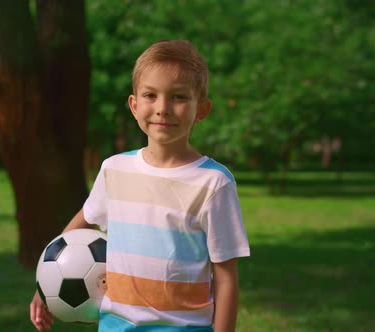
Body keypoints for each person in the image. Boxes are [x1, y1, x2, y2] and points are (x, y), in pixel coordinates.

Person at [30, 39, 250, 332]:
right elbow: (79, 227)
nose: (162, 108)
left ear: (202, 109)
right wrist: (47, 282)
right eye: (150, 95)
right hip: (115, 327)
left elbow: (226, 279)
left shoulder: (213, 184)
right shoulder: (114, 169)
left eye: (179, 97)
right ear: (134, 106)